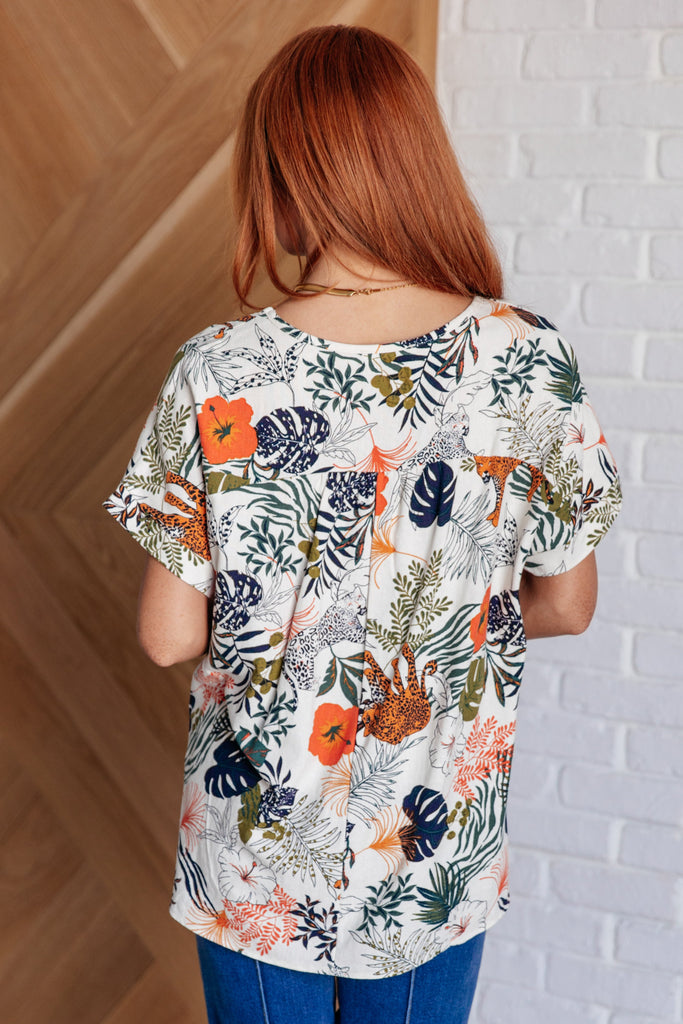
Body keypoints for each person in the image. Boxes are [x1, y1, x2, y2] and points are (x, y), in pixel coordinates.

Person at [103, 23, 622, 1024]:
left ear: (281, 171)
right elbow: (568, 604)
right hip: (432, 856)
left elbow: (166, 634)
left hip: (255, 857)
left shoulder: (220, 368)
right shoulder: (524, 359)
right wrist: (438, 620)